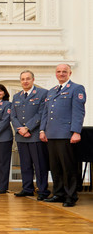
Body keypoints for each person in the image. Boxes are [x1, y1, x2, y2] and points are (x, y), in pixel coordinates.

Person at [40, 64, 86, 207]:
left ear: (70, 73)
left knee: (68, 167)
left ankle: (70, 196)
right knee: (55, 167)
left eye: (64, 71)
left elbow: (78, 112)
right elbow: (45, 113)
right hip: (51, 134)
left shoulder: (76, 88)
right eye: (59, 72)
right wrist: (42, 130)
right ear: (55, 74)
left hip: (66, 134)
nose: (61, 74)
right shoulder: (52, 91)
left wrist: (76, 131)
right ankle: (58, 193)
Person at [10, 70, 50, 200]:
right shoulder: (16, 96)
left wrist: (27, 128)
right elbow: (13, 116)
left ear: (33, 80)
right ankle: (27, 188)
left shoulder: (42, 93)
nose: (25, 81)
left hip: (35, 135)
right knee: (25, 165)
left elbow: (42, 113)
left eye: (28, 79)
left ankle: (43, 190)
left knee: (39, 165)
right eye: (23, 79)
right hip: (21, 136)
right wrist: (20, 129)